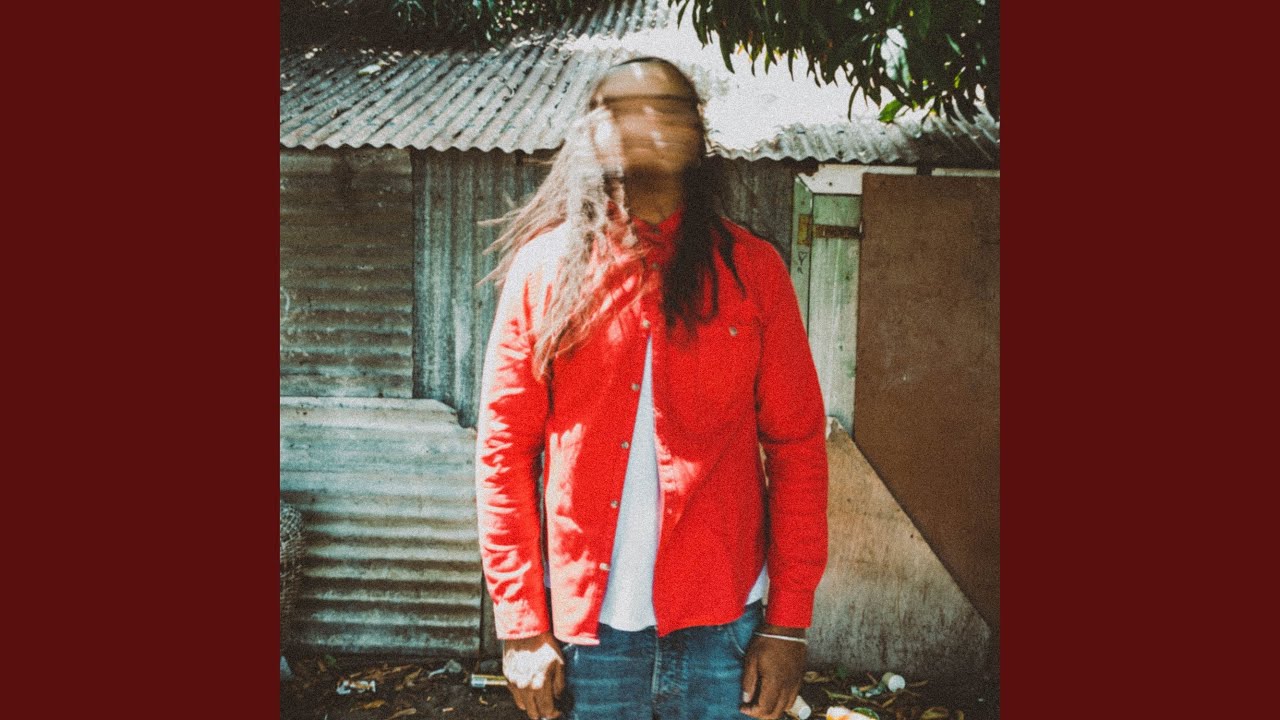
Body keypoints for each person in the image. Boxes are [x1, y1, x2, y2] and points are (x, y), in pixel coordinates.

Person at [474, 56, 829, 720]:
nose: (645, 122)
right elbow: (503, 454)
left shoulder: (753, 271)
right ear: (590, 132)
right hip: (589, 639)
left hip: (727, 627)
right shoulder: (543, 271)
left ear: (697, 133)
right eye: (620, 108)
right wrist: (521, 626)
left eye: (667, 106)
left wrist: (788, 624)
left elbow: (798, 446)